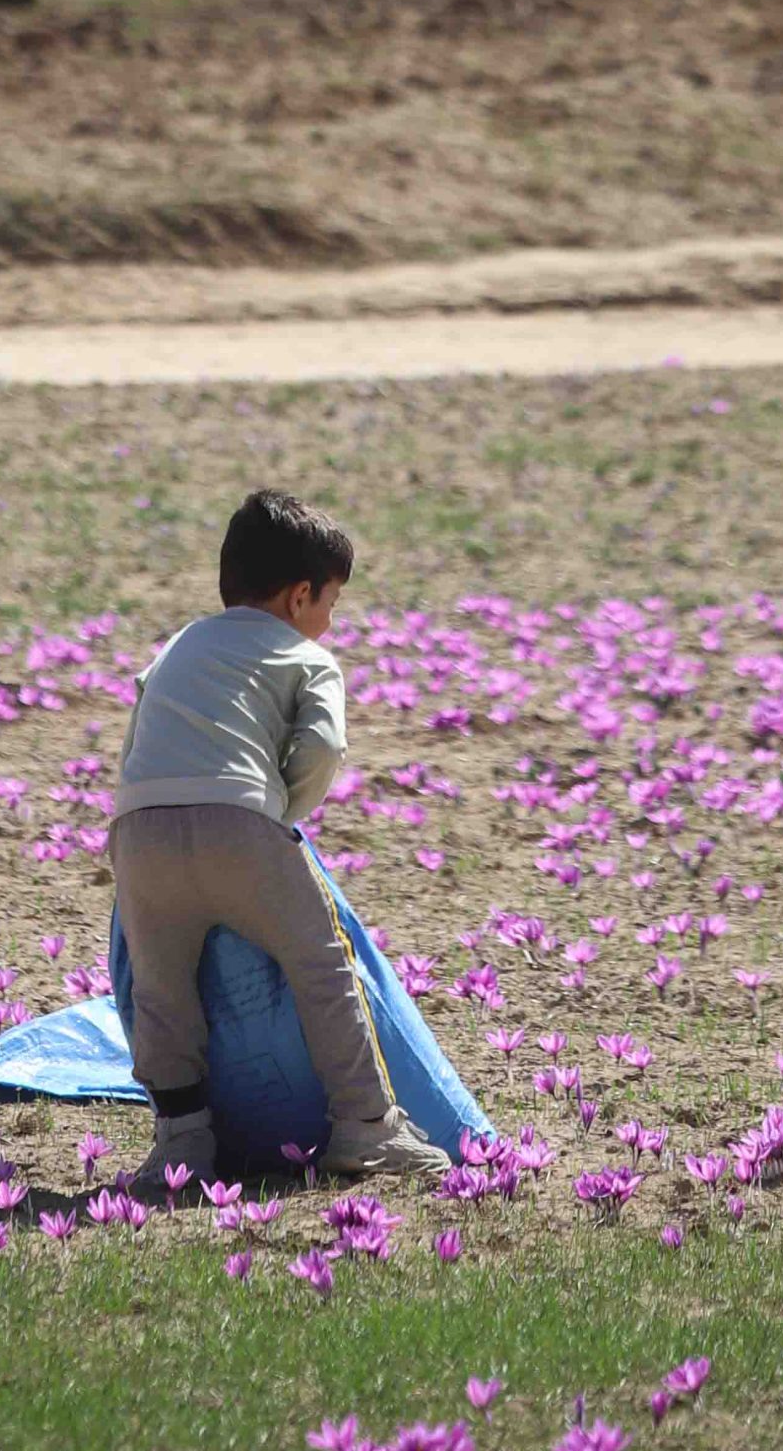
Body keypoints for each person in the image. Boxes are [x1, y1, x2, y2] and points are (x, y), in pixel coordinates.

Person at [109, 487, 453, 1185]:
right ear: (301, 597)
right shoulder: (307, 657)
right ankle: (365, 1126)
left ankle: (181, 1140)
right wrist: (281, 807)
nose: (330, 620)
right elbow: (323, 746)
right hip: (241, 826)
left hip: (139, 830)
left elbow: (140, 721)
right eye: (332, 602)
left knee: (161, 988)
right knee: (323, 965)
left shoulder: (180, 641)